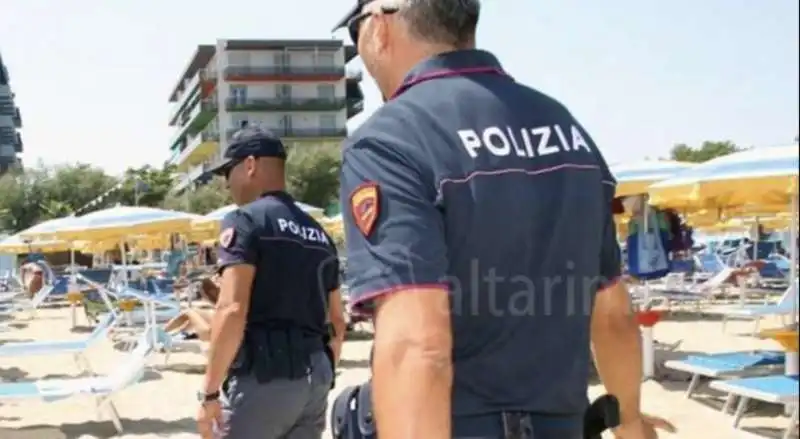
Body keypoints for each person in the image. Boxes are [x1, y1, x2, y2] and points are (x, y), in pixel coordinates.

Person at [333, 1, 676, 438]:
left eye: (355, 32)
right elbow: (611, 311)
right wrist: (629, 422)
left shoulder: (391, 138)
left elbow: (416, 344)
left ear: (380, 26)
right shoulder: (564, 127)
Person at [196, 125, 346, 439]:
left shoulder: (245, 220)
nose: (226, 185)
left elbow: (232, 308)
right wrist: (325, 373)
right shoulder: (320, 235)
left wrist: (209, 393)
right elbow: (336, 321)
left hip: (264, 378)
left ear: (249, 165)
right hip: (315, 377)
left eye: (228, 172)